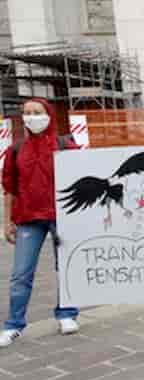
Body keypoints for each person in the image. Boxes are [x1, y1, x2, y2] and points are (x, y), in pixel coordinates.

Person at [1, 98, 81, 347]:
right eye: (26, 113)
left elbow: (83, 175)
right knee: (21, 274)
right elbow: (9, 188)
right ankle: (14, 324)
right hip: (28, 218)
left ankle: (67, 313)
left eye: (37, 112)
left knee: (65, 268)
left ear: (49, 114)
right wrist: (7, 221)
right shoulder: (16, 150)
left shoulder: (65, 146)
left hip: (62, 217)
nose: (31, 117)